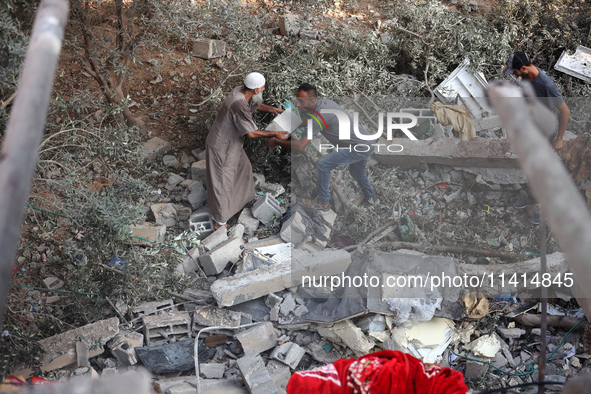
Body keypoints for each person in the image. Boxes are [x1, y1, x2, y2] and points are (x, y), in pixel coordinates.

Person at [268, 83, 379, 211]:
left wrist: (277, 142)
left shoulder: (319, 115)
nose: (297, 104)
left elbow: (300, 146)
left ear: (313, 100)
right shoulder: (325, 104)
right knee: (356, 172)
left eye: (301, 101)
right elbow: (313, 122)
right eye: (297, 100)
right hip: (367, 142)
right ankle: (372, 198)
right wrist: (293, 124)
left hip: (359, 147)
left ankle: (323, 203)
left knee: (323, 164)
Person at [205, 72, 288, 230]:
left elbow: (255, 104)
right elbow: (251, 133)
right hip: (222, 146)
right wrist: (275, 133)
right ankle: (220, 222)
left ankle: (242, 202)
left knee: (244, 168)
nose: (263, 91)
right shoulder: (238, 103)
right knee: (223, 183)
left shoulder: (242, 91)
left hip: (233, 143)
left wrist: (274, 110)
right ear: (256, 90)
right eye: (262, 89)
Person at [503, 51, 571, 224]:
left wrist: (559, 139)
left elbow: (565, 111)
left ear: (524, 68)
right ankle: (533, 197)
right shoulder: (527, 76)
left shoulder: (546, 84)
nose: (515, 75)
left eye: (515, 72)